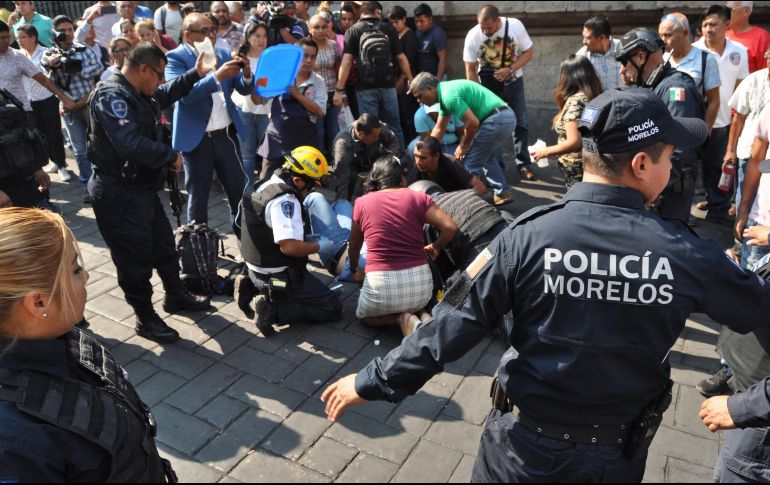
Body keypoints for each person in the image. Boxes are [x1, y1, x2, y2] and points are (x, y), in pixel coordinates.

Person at [320, 86, 770, 482]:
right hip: (612, 461)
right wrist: (749, 406)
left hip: (519, 454)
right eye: (670, 157)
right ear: (639, 164)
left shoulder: (522, 236)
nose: (672, 169)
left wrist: (371, 380)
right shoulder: (688, 254)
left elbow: (450, 325)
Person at [0, 207, 177, 481]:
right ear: (39, 302)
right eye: (75, 270)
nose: (86, 277)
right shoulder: (17, 442)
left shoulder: (63, 337)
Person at [88, 42, 213, 343]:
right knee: (134, 259)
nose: (160, 80)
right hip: (117, 193)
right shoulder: (112, 96)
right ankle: (145, 317)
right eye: (158, 74)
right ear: (143, 69)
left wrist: (195, 73)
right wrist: (169, 156)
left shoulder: (139, 91)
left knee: (163, 247)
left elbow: (165, 93)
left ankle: (175, 295)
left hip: (142, 189)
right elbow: (129, 142)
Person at [236, 146, 343, 335]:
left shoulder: (262, 185)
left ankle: (251, 284)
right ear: (297, 180)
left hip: (254, 265)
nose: (312, 190)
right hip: (277, 276)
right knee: (332, 307)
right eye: (311, 185)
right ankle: (271, 311)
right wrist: (317, 246)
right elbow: (289, 248)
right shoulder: (285, 201)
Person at [348, 156, 456, 336]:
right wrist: (436, 246)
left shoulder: (362, 203)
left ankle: (401, 319)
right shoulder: (419, 197)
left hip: (380, 289)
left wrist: (354, 270)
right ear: (402, 178)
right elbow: (450, 227)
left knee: (364, 316)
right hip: (421, 290)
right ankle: (421, 314)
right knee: (417, 303)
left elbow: (354, 246)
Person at [166, 12, 254, 227]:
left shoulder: (222, 54)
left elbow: (242, 88)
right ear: (187, 35)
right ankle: (199, 251)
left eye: (212, 30)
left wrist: (247, 74)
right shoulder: (175, 58)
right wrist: (216, 77)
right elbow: (184, 96)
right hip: (197, 141)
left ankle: (248, 247)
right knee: (198, 199)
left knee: (238, 193)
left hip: (225, 135)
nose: (211, 36)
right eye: (204, 31)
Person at [616, 28, 705, 224]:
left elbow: (678, 145)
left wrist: (653, 189)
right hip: (654, 184)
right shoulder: (654, 86)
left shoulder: (675, 88)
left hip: (668, 190)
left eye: (624, 62)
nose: (622, 70)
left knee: (669, 245)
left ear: (640, 56)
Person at [409, 72, 516, 206]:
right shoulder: (446, 94)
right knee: (485, 157)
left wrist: (463, 146)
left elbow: (472, 123)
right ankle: (502, 193)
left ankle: (468, 207)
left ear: (430, 88)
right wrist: (427, 150)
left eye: (419, 96)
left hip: (496, 120)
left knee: (468, 165)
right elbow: (439, 129)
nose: (419, 101)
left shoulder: (448, 96)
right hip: (504, 117)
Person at [463, 4, 536, 181]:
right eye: (482, 27)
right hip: (487, 87)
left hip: (514, 81)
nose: (486, 31)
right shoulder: (473, 35)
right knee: (491, 127)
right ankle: (497, 169)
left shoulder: (515, 26)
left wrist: (510, 68)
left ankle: (523, 163)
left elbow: (528, 53)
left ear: (498, 20)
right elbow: (470, 69)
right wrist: (476, 98)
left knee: (521, 122)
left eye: (489, 27)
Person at [694, 5, 749, 225]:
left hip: (725, 121)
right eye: (705, 24)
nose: (708, 29)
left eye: (714, 24)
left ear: (727, 25)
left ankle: (718, 210)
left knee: (719, 168)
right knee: (692, 168)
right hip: (697, 121)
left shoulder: (739, 51)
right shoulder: (694, 51)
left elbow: (740, 88)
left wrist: (739, 121)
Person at [333, 1, 413, 150]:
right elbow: (401, 57)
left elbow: (347, 62)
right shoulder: (388, 28)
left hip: (365, 88)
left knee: (369, 128)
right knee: (394, 127)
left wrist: (339, 90)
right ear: (377, 12)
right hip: (388, 86)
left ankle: (373, 163)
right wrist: (411, 79)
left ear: (361, 13)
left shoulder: (353, 31)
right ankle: (400, 161)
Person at [42, 15, 105, 204]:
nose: (67, 34)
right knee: (79, 150)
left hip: (88, 103)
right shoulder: (49, 54)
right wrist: (54, 65)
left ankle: (104, 183)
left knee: (99, 145)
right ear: (55, 32)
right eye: (63, 30)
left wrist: (78, 68)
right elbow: (46, 80)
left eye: (70, 29)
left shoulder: (83, 49)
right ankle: (88, 186)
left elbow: (98, 68)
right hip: (68, 107)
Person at [409, 180, 510, 281]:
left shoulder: (428, 221)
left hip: (481, 255)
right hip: (509, 235)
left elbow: (441, 269)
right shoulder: (468, 192)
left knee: (452, 286)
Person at [257, 38, 326, 181]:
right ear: (296, 56)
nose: (308, 60)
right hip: (276, 139)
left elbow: (320, 111)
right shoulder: (280, 76)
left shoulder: (318, 82)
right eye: (305, 55)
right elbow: (258, 100)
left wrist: (296, 94)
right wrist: (255, 84)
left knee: (303, 184)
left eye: (312, 57)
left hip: (303, 141)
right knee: (265, 182)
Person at [532, 55, 603, 189]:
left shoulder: (576, 101)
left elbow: (574, 142)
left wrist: (545, 152)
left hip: (577, 171)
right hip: (591, 165)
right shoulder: (593, 96)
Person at [16, 24, 71, 183]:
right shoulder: (18, 55)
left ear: (33, 38)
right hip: (29, 101)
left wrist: (54, 63)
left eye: (23, 37)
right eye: (18, 38)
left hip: (47, 98)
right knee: (40, 136)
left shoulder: (46, 52)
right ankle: (54, 162)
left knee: (53, 133)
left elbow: (52, 68)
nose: (20, 41)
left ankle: (62, 166)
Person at [658, 12, 721, 134]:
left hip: (692, 132)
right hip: (664, 132)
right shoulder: (660, 59)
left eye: (667, 35)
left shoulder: (705, 59)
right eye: (660, 36)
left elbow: (714, 100)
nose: (663, 41)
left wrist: (705, 133)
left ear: (685, 33)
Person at [725, 46, 770, 214]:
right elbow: (738, 118)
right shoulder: (753, 81)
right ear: (767, 58)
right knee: (745, 197)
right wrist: (730, 150)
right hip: (749, 151)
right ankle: (741, 236)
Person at [232, 21, 269, 187]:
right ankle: (246, 193)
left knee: (268, 153)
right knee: (247, 155)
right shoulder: (239, 58)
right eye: (257, 36)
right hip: (244, 110)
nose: (262, 40)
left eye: (265, 36)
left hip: (266, 110)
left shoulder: (270, 57)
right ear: (248, 37)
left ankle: (268, 188)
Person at [331, 113, 400, 200]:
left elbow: (394, 141)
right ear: (361, 134)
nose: (378, 138)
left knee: (390, 165)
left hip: (372, 158)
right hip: (350, 164)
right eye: (374, 137)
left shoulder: (377, 128)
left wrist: (388, 160)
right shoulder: (342, 145)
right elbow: (342, 180)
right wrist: (342, 204)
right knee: (350, 177)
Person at [410, 135, 486, 195]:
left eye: (423, 158)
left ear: (436, 156)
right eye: (416, 156)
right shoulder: (417, 167)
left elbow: (480, 187)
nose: (418, 162)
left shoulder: (451, 163)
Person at [308, 14, 340, 156]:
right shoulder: (306, 48)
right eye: (316, 27)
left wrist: (341, 91)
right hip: (314, 96)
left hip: (333, 93)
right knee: (318, 132)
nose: (320, 30)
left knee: (334, 130)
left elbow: (339, 69)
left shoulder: (333, 45)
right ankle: (320, 163)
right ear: (309, 29)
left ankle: (336, 161)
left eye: (323, 27)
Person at [387, 5, 418, 148]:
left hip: (406, 80)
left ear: (404, 19)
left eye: (396, 22)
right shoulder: (393, 36)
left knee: (407, 115)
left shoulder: (410, 35)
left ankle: (412, 143)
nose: (394, 25)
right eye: (391, 22)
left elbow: (409, 61)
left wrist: (401, 80)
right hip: (395, 79)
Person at [576, 15, 622, 91]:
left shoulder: (625, 50)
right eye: (584, 37)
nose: (584, 42)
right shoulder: (581, 57)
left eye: (588, 38)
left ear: (601, 38)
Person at [726, 1, 770, 74]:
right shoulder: (722, 33)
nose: (725, 14)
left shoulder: (762, 37)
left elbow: (765, 73)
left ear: (746, 11)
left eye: (730, 10)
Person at [413, 3, 447, 81]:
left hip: (435, 76)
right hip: (421, 77)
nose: (418, 24)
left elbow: (443, 59)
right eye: (416, 21)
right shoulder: (417, 32)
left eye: (422, 21)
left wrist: (438, 80)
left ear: (430, 20)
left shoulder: (438, 34)